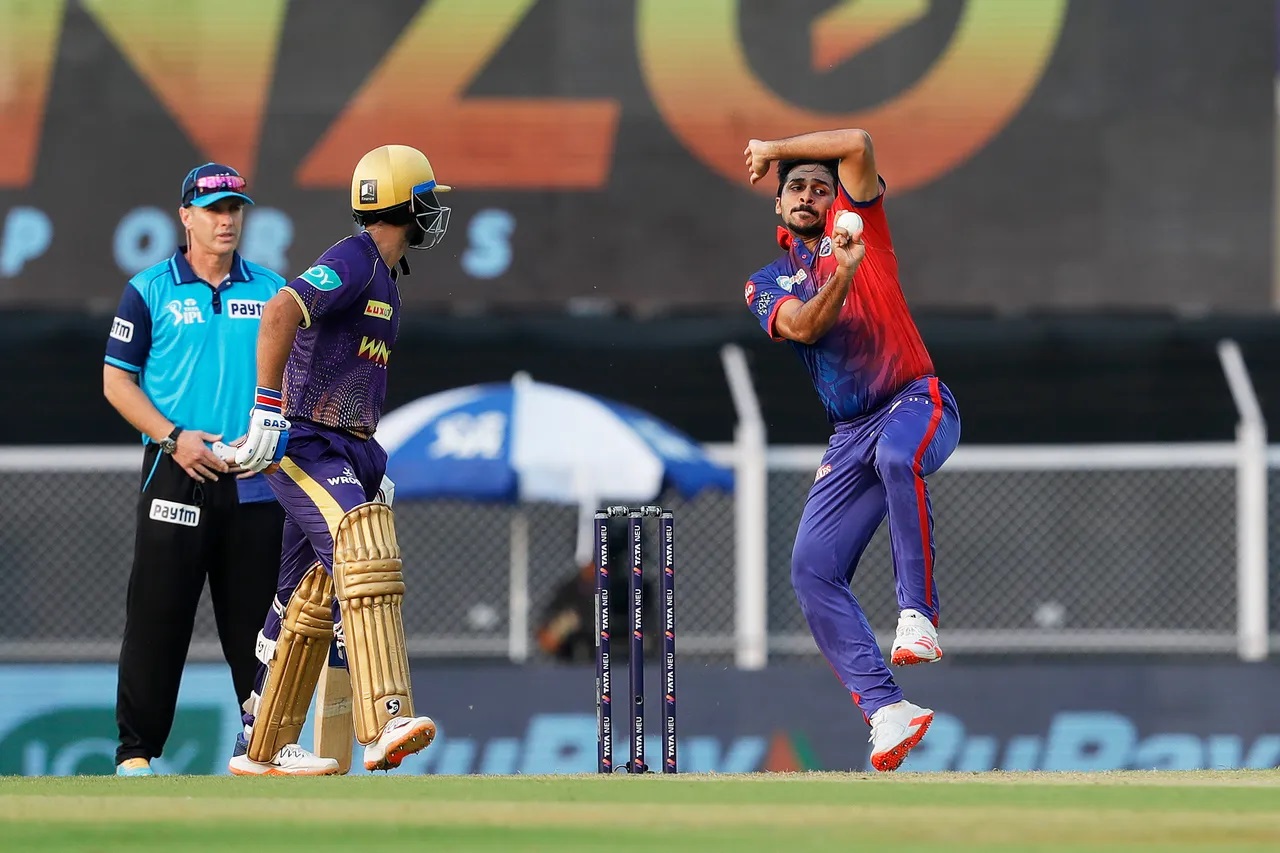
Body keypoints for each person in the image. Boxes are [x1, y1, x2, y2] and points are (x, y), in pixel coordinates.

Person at [225, 144, 451, 776]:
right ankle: (384, 721)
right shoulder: (354, 259)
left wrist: (369, 466)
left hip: (350, 446)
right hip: (308, 440)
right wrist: (267, 408)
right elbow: (281, 309)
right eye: (427, 199)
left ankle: (259, 743)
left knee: (302, 599)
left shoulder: (385, 277)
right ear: (405, 204)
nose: (434, 213)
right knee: (362, 551)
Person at [741, 128, 961, 772]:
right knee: (811, 568)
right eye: (795, 188)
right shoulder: (767, 281)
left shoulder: (862, 223)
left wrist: (774, 149)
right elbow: (806, 326)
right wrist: (843, 273)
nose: (808, 195)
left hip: (917, 400)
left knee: (897, 456)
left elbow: (859, 143)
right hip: (848, 433)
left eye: (820, 187)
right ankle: (888, 710)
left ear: (836, 198)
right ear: (778, 205)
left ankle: (917, 614)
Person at [102, 163, 286, 776]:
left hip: (253, 476)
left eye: (234, 209)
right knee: (158, 616)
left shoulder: (273, 291)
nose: (226, 220)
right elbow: (116, 382)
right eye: (213, 210)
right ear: (186, 216)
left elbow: (299, 376)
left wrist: (273, 438)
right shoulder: (150, 288)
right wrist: (173, 437)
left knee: (260, 626)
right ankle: (135, 754)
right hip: (176, 470)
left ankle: (268, 746)